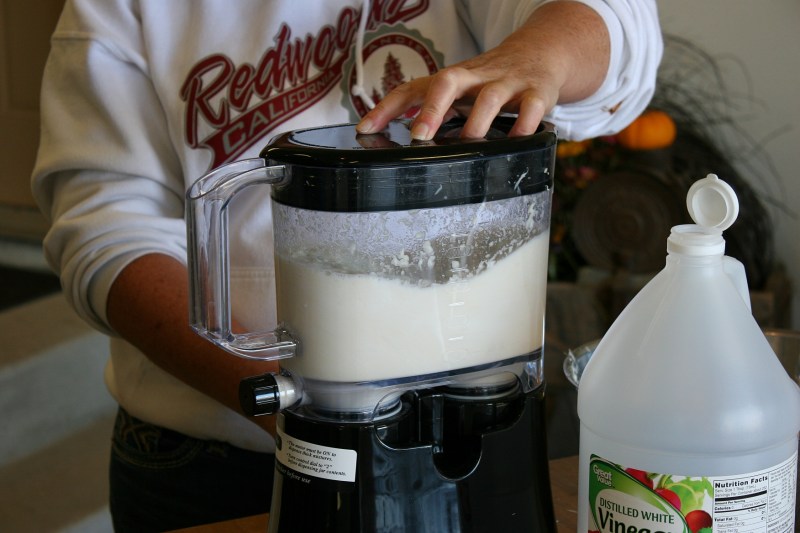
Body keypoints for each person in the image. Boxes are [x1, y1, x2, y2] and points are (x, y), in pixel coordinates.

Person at [31, 0, 662, 530]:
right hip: (203, 458)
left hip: (478, 422)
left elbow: (615, 24)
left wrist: (535, 58)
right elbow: (103, 230)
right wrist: (311, 404)